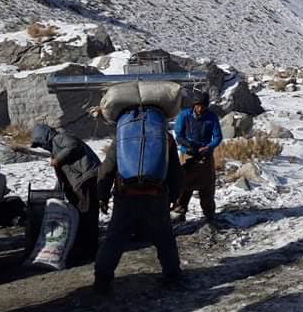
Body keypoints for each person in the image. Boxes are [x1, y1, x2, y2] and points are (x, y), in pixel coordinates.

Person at [94, 130, 184, 294]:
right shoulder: (165, 136)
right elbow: (174, 170)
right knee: (164, 237)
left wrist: (103, 196)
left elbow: (107, 168)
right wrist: (175, 195)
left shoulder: (122, 134)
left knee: (115, 238)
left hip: (126, 195)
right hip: (156, 195)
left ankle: (102, 279)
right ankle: (173, 276)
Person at [30, 124, 100, 264]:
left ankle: (90, 250)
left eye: (40, 143)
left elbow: (73, 145)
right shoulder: (55, 147)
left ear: (45, 137)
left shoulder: (60, 138)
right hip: (81, 180)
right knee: (82, 212)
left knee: (87, 213)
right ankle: (85, 246)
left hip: (86, 177)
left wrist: (57, 159)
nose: (42, 146)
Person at [173, 92, 223, 223]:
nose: (200, 109)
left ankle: (209, 214)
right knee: (182, 185)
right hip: (186, 154)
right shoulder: (184, 115)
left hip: (205, 154)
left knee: (207, 186)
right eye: (198, 106)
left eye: (203, 106)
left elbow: (218, 136)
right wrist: (187, 145)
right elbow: (178, 134)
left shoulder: (212, 117)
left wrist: (209, 147)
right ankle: (179, 212)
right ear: (194, 105)